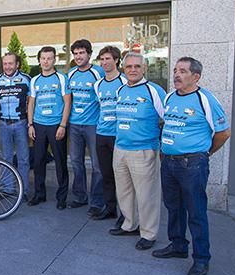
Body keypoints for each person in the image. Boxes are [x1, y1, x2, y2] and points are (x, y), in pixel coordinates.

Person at [152, 57, 230, 275]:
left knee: (196, 212)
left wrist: (204, 153)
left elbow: (223, 133)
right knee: (173, 208)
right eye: (175, 70)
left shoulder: (205, 99)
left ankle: (201, 259)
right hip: (169, 162)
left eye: (183, 71)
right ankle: (177, 245)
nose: (176, 75)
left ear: (196, 76)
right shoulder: (169, 97)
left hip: (192, 165)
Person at [110, 52, 165, 252]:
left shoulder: (154, 90)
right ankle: (129, 225)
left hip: (143, 151)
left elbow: (168, 117)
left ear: (144, 69)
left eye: (137, 66)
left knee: (146, 195)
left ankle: (148, 233)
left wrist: (159, 145)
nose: (132, 70)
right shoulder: (121, 90)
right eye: (129, 67)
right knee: (124, 192)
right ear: (124, 69)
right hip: (121, 148)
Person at [0, 52, 31, 200]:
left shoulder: (26, 79)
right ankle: (9, 189)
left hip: (21, 123)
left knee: (23, 159)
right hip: (3, 124)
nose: (8, 66)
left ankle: (24, 191)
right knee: (6, 158)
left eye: (11, 63)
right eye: (5, 64)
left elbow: (32, 102)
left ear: (17, 64)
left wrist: (31, 123)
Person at [27, 46, 71, 209]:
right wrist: (30, 124)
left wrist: (63, 125)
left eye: (49, 58)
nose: (46, 61)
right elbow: (31, 103)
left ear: (55, 60)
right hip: (38, 125)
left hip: (56, 125)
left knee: (60, 162)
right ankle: (39, 194)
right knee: (38, 161)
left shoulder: (61, 78)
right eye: (43, 58)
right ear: (39, 60)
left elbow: (67, 102)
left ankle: (62, 198)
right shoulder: (34, 80)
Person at [66, 39, 105, 216]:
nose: (78, 56)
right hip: (74, 124)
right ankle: (80, 196)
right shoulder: (71, 73)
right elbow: (68, 99)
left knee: (97, 165)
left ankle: (97, 201)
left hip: (93, 125)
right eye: (75, 54)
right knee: (75, 161)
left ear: (89, 54)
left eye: (82, 53)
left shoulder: (98, 72)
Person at [92, 46, 127, 226]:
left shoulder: (125, 81)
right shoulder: (98, 84)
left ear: (116, 60)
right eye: (102, 59)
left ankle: (125, 214)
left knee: (122, 176)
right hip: (101, 134)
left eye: (108, 59)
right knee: (106, 174)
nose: (105, 62)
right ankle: (110, 208)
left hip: (119, 135)